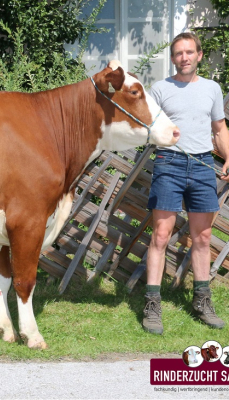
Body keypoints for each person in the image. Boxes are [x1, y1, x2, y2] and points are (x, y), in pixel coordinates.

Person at [143, 32, 229, 335]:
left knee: (202, 237)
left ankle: (202, 302)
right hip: (169, 164)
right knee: (161, 235)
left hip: (204, 165)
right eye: (179, 53)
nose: (184, 57)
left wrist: (228, 156)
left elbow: (219, 128)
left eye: (189, 52)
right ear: (173, 58)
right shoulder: (159, 89)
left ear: (199, 55)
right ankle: (152, 305)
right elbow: (147, 126)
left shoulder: (212, 89)